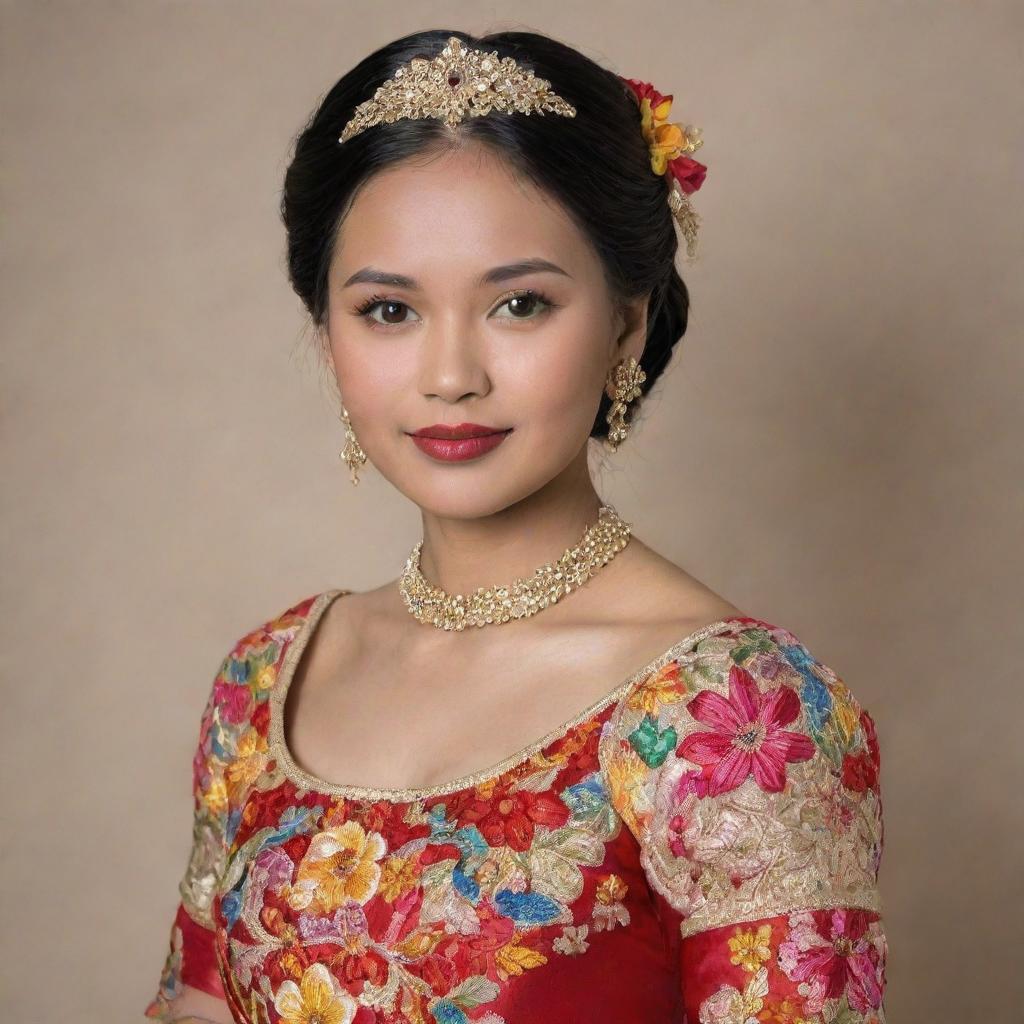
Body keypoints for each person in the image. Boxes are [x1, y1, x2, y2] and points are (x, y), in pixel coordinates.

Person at [144, 29, 887, 1024]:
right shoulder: (267, 679)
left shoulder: (733, 713)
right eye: (389, 311)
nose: (451, 375)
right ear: (327, 333)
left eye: (520, 303)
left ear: (626, 322)